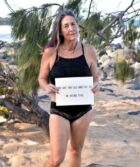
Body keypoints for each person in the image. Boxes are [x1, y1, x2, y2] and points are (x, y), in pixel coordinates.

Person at [38, 9, 99, 167]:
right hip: (59, 110)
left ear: (78, 26)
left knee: (75, 151)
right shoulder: (51, 52)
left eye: (73, 24)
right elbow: (42, 78)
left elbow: (96, 77)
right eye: (66, 26)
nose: (71, 28)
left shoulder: (89, 50)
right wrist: (46, 87)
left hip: (84, 110)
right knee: (56, 159)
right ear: (60, 30)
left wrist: (96, 84)